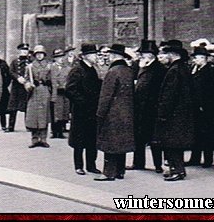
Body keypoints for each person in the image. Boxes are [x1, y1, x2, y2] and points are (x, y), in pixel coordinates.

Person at [154, 40, 194, 181]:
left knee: (171, 144)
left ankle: (176, 170)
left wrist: (162, 113)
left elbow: (169, 95)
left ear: (173, 54)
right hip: (182, 112)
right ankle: (177, 169)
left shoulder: (174, 70)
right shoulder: (183, 68)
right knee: (176, 143)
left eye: (167, 53)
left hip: (173, 114)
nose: (165, 56)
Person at [94, 44, 135, 181]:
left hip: (112, 113)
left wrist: (100, 113)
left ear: (113, 56)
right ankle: (120, 171)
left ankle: (108, 172)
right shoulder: (128, 71)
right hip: (127, 112)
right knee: (121, 142)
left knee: (110, 143)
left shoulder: (112, 72)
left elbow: (106, 96)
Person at [127, 40, 165, 173]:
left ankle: (158, 165)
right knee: (139, 137)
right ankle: (138, 163)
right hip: (139, 107)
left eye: (144, 54)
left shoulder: (159, 69)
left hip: (152, 108)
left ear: (152, 55)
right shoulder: (139, 66)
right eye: (141, 54)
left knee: (154, 139)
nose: (142, 56)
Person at [65, 44, 102, 175]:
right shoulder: (77, 70)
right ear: (85, 56)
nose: (96, 56)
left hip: (92, 110)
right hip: (81, 111)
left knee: (92, 139)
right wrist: (83, 102)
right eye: (93, 54)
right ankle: (78, 165)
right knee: (79, 140)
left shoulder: (92, 69)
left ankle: (91, 165)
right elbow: (70, 89)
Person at [185, 46, 214, 168]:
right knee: (196, 133)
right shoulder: (193, 69)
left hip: (205, 107)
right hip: (195, 106)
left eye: (198, 58)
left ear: (205, 59)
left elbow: (211, 91)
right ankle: (195, 158)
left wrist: (205, 105)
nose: (196, 60)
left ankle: (208, 159)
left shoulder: (209, 71)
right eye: (195, 58)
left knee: (207, 134)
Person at [25, 45, 52, 148]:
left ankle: (44, 139)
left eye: (41, 54)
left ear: (44, 55)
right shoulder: (30, 67)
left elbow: (52, 80)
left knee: (44, 116)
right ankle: (34, 139)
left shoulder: (49, 66)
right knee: (34, 116)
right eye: (37, 54)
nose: (39, 56)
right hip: (34, 92)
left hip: (44, 91)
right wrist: (28, 85)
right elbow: (26, 79)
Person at [6, 43, 31, 132]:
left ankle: (28, 126)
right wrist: (17, 77)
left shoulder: (30, 61)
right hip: (16, 86)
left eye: (26, 50)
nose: (24, 52)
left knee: (27, 106)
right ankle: (10, 126)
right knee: (13, 107)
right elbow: (11, 71)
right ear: (19, 51)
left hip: (26, 86)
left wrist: (26, 80)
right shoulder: (14, 61)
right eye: (22, 50)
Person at [50, 48, 71, 138]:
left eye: (62, 57)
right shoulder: (51, 67)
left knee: (63, 111)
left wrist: (65, 85)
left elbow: (69, 79)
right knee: (55, 112)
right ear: (55, 58)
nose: (61, 59)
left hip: (64, 92)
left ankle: (61, 131)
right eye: (58, 57)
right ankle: (54, 131)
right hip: (54, 92)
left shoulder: (68, 68)